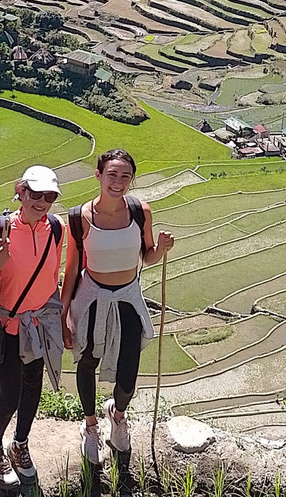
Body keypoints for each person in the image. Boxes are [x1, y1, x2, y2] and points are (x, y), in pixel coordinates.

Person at [60, 148, 175, 466]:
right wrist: (64, 312)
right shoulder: (79, 217)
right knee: (87, 362)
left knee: (129, 373)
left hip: (127, 298)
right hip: (91, 296)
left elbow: (147, 256)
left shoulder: (141, 212)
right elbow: (71, 269)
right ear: (98, 175)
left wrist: (161, 249)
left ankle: (117, 414)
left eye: (126, 176)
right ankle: (90, 424)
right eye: (112, 174)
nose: (119, 182)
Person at [0, 166, 65, 486]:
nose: (43, 201)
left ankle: (20, 444)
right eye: (36, 194)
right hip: (7, 327)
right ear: (21, 191)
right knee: (10, 395)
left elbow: (51, 276)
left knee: (33, 388)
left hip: (39, 323)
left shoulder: (56, 229)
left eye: (50, 196)